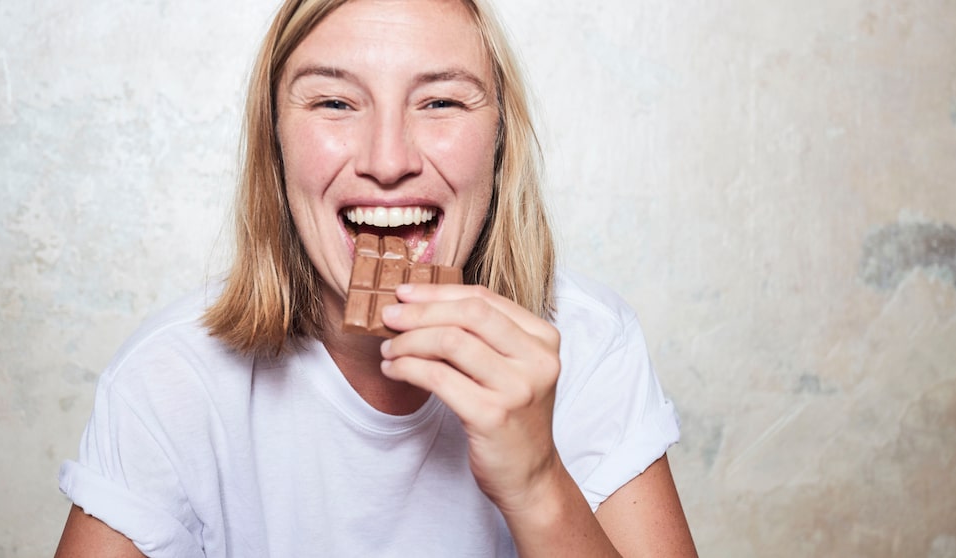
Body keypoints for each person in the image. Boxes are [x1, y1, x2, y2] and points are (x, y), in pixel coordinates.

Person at [55, 0, 698, 556]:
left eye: (441, 101)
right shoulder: (170, 379)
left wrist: (536, 484)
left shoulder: (587, 343)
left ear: (499, 141)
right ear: (274, 143)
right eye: (334, 101)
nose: (388, 161)